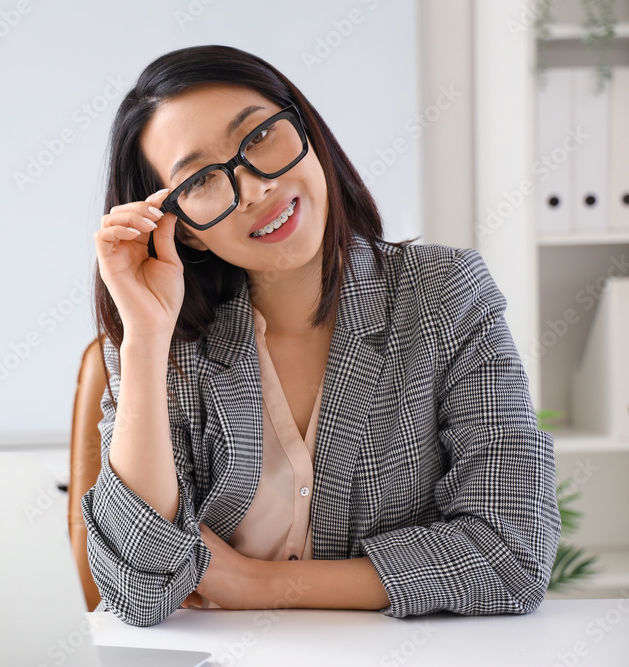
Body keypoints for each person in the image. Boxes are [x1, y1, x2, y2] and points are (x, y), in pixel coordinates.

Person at [81, 44, 561, 628]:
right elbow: (137, 585)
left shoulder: (444, 294)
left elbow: (513, 554)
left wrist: (254, 584)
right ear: (188, 233)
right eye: (204, 179)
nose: (255, 189)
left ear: (307, 129)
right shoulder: (167, 341)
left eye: (258, 138)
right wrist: (146, 340)